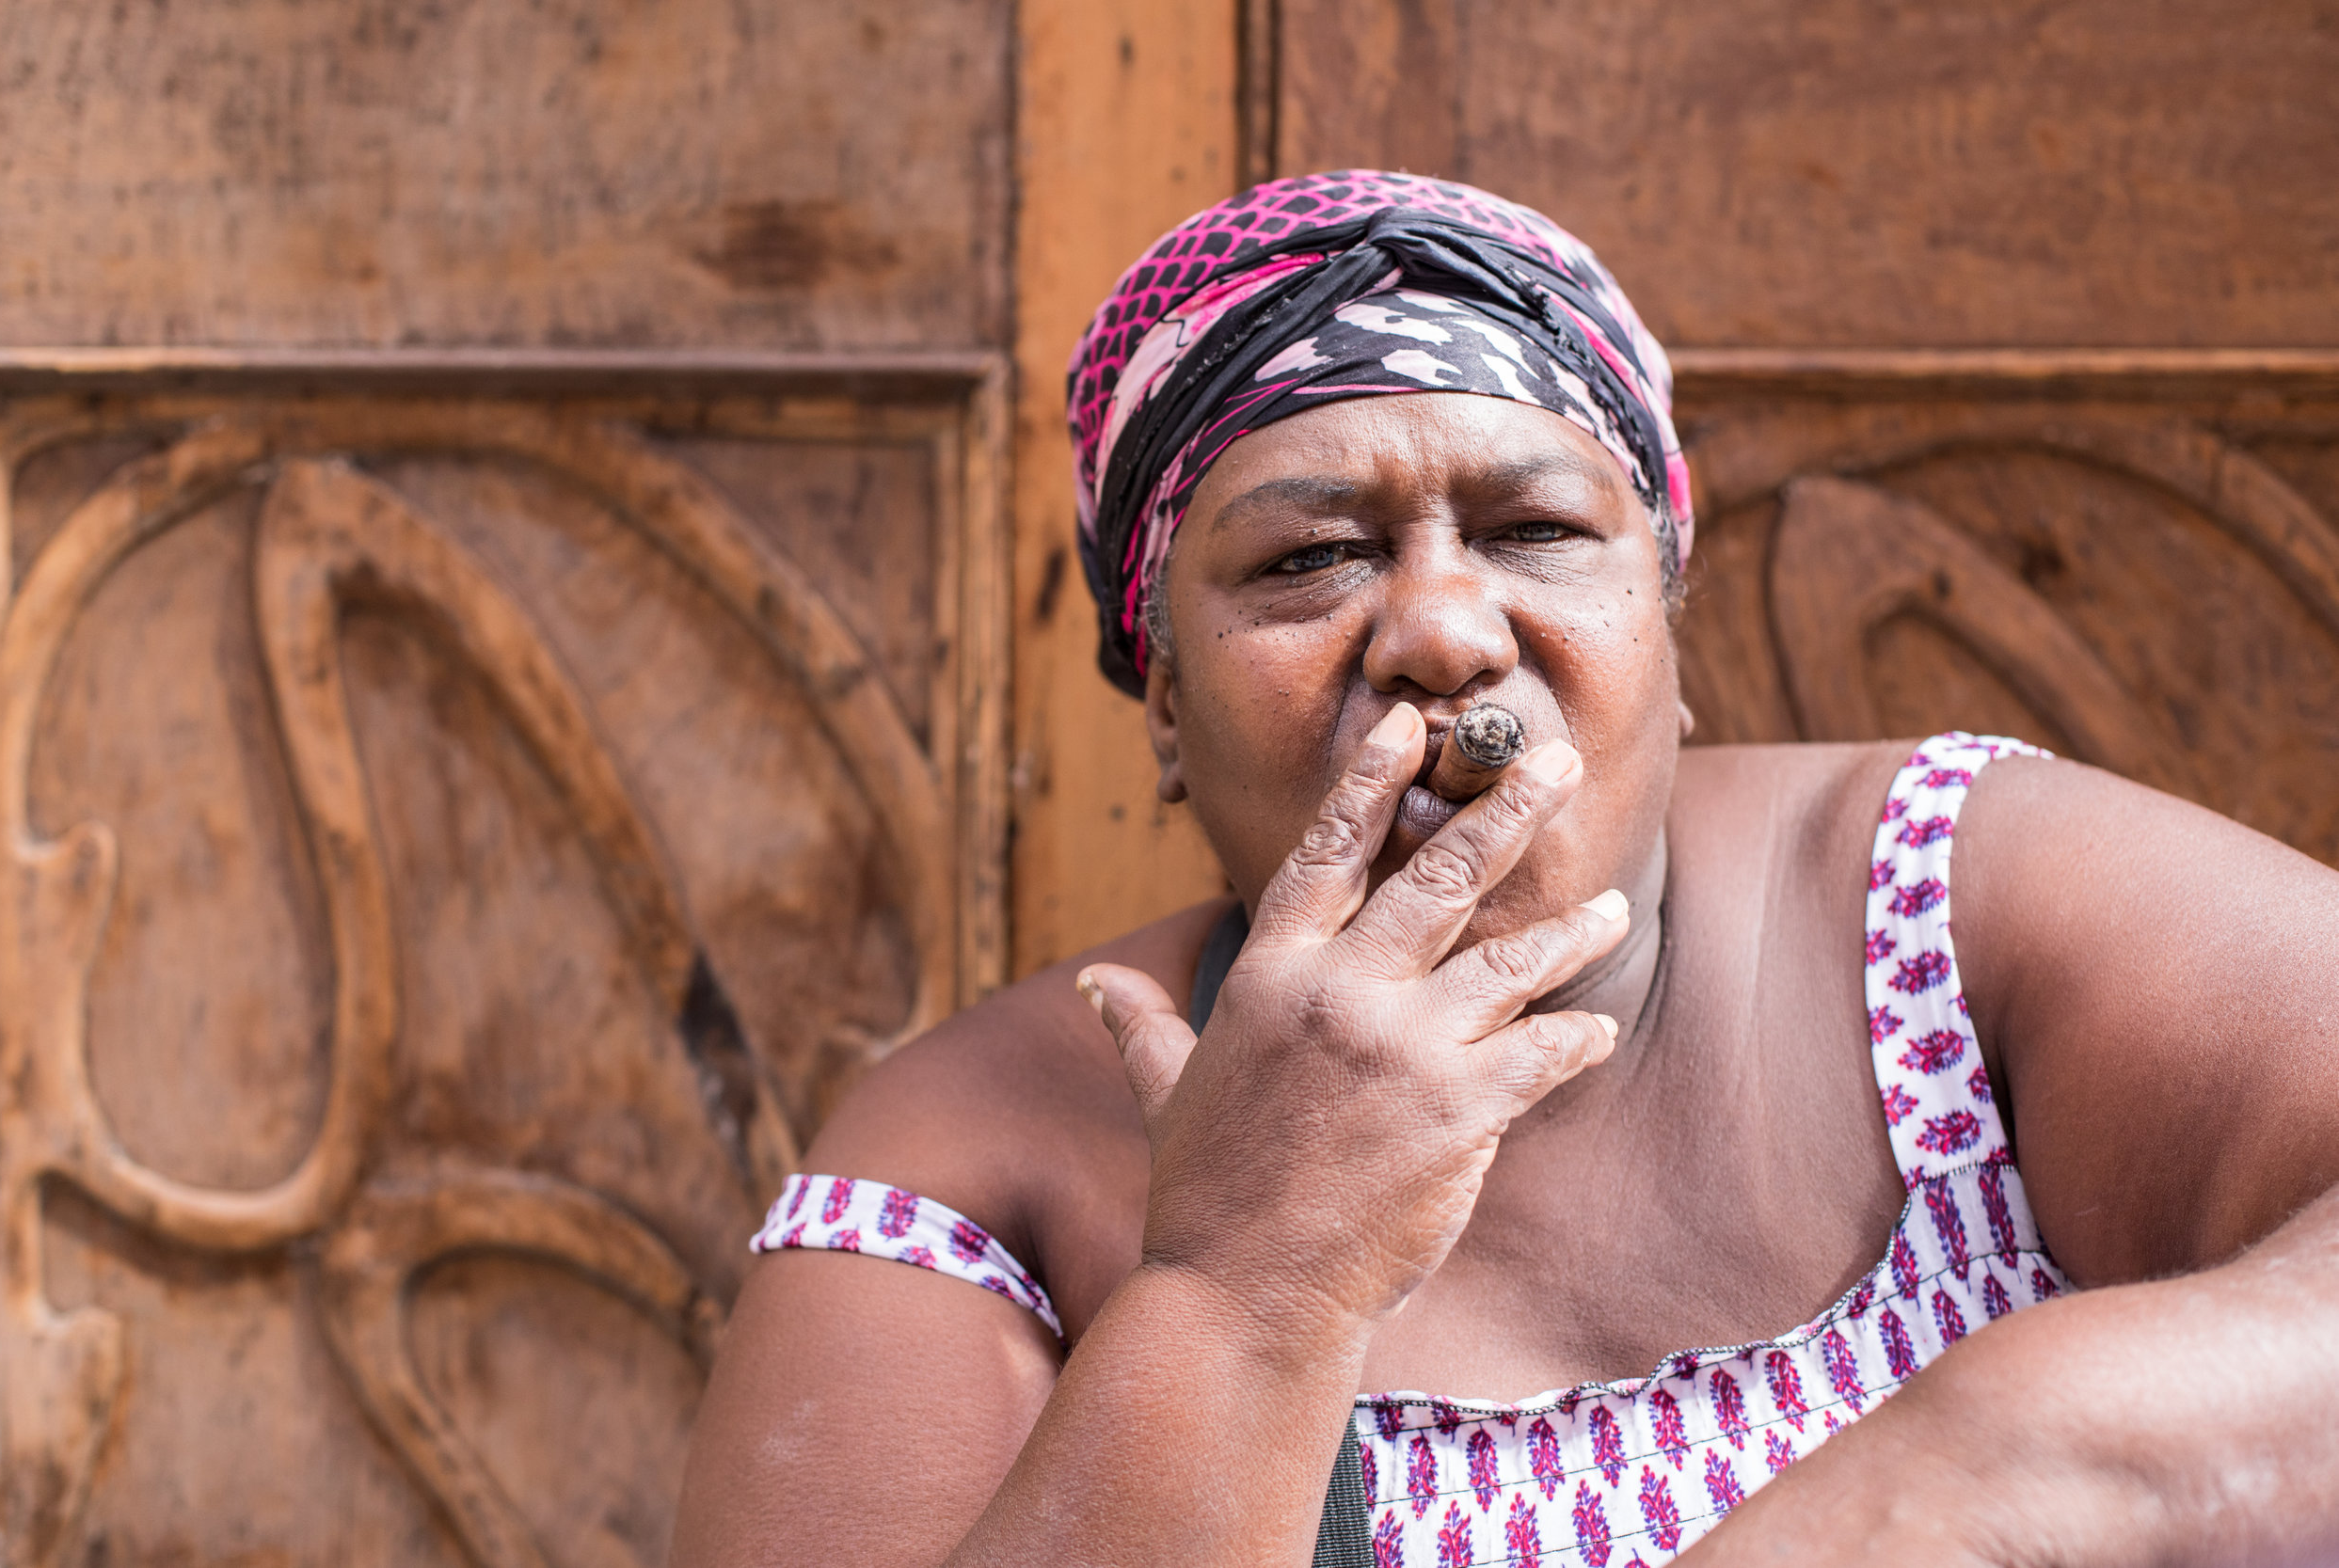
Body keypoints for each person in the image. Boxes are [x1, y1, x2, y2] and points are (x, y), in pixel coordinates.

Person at [670, 171, 2339, 1567]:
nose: (1446, 634)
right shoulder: (974, 1169)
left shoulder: (1947, 902)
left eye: (1536, 532)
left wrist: (1987, 1468)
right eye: (1312, 558)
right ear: (1167, 705)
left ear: (1664, 628)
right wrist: (1246, 1283)